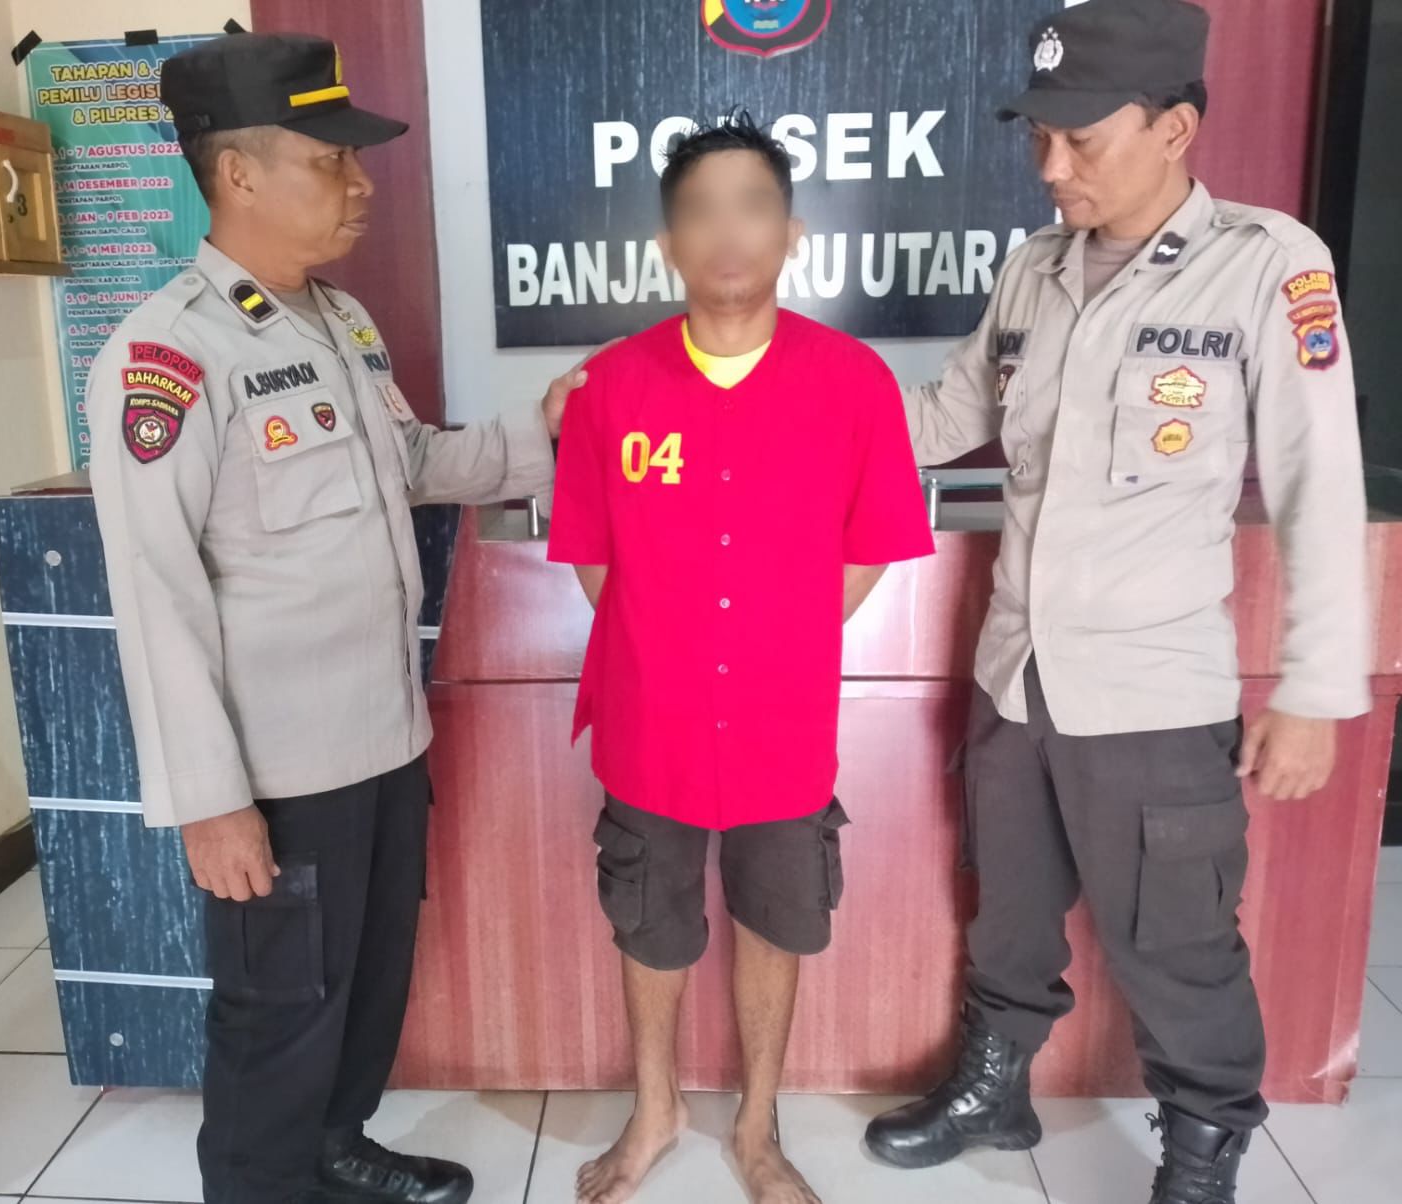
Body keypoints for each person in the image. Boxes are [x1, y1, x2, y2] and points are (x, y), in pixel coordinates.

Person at [863, 4, 1371, 1202]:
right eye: (1038, 136)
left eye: (1081, 140)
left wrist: (1315, 691)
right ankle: (995, 1088)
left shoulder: (1267, 264)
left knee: (1176, 945)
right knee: (1009, 914)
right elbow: (941, 418)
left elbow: (1318, 484)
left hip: (1150, 694)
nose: (1051, 167)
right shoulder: (1032, 269)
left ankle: (1202, 1150)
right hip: (1016, 675)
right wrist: (775, 412)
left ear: (1174, 128)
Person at [86, 31, 592, 1204]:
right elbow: (155, 592)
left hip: (382, 736)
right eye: (330, 161)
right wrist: (211, 801)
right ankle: (265, 1181)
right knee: (278, 1013)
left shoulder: (337, 322)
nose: (360, 184)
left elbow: (407, 463)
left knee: (366, 981)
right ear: (237, 173)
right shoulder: (168, 354)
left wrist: (543, 430)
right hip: (277, 768)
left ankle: (336, 1144)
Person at [547, 111, 934, 1204]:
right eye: (701, 212)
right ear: (668, 243)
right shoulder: (610, 389)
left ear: (791, 233)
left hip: (782, 722)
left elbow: (869, 547)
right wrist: (672, 648)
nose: (728, 233)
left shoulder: (853, 381)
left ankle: (758, 1126)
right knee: (650, 918)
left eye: (752, 206)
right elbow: (591, 559)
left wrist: (775, 638)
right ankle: (655, 1107)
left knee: (777, 917)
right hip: (650, 721)